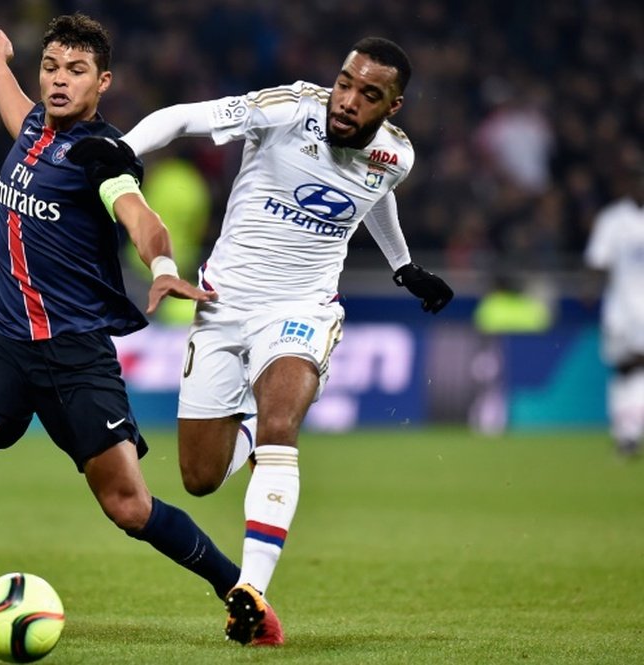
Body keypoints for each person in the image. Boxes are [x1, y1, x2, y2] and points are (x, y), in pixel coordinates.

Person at [0, 14, 241, 651]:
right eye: (51, 68)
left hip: (75, 353)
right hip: (3, 336)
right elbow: (17, 110)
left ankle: (237, 588)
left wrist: (161, 266)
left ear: (102, 83)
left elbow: (141, 216)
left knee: (129, 505)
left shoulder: (102, 154)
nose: (58, 81)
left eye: (76, 71)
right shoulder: (31, 127)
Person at [107, 36, 452, 645]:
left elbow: (377, 194)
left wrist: (402, 265)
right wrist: (119, 154)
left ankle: (251, 590)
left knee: (281, 426)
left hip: (302, 306)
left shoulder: (396, 156)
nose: (347, 100)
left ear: (391, 107)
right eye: (345, 82)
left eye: (368, 94)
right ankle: (248, 434)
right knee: (199, 476)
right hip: (223, 303)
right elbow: (182, 118)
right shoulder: (287, 109)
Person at [584, 157, 644, 458]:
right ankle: (626, 433)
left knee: (634, 369)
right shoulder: (613, 220)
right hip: (621, 312)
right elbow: (597, 261)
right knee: (624, 370)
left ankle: (629, 433)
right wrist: (591, 290)